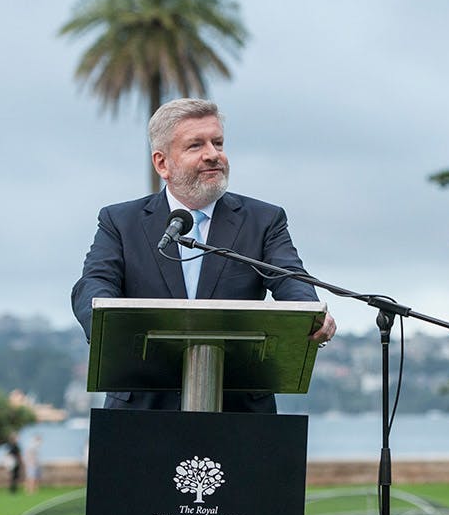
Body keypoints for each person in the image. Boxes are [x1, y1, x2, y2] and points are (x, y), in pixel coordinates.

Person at [71, 98, 337, 412]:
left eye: (218, 143)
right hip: (143, 410)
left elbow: (291, 280)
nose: (213, 154)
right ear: (162, 163)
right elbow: (94, 284)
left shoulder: (263, 220)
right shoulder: (120, 222)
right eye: (196, 145)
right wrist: (108, 326)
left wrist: (309, 311)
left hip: (239, 413)